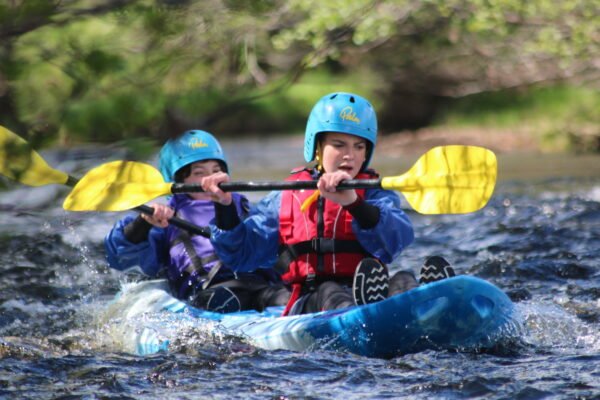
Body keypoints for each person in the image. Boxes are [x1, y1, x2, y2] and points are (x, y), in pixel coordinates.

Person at [201, 92, 452, 316]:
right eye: (339, 144)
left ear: (367, 153)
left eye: (359, 146)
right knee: (330, 291)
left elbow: (396, 240)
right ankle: (366, 315)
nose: (349, 155)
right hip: (310, 301)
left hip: (364, 287)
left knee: (403, 279)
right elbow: (240, 254)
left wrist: (354, 204)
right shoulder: (285, 196)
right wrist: (224, 206)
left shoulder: (375, 194)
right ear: (318, 148)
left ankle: (430, 308)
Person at [104, 130, 290, 313]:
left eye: (216, 171)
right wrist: (143, 223)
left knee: (287, 298)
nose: (210, 179)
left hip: (260, 287)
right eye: (199, 173)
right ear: (177, 180)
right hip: (211, 292)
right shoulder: (166, 218)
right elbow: (120, 255)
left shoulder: (246, 208)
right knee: (228, 299)